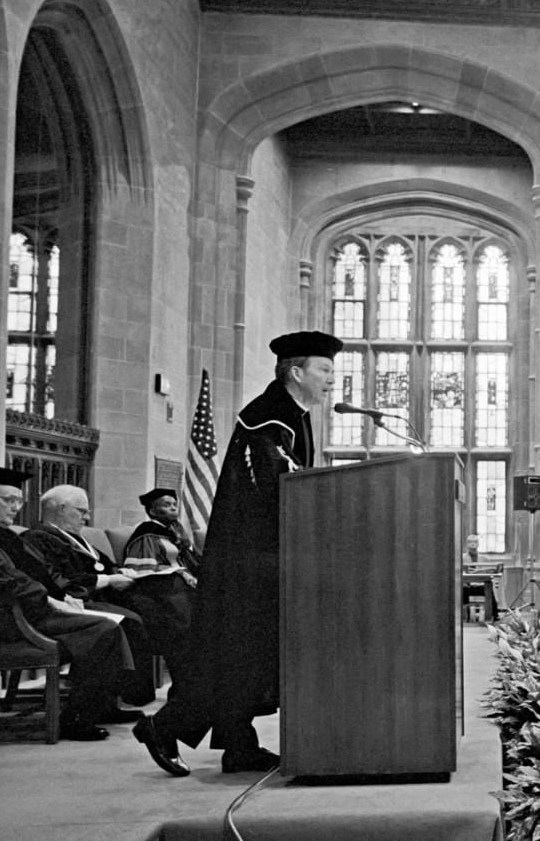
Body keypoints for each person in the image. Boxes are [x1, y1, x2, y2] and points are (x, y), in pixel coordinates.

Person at [133, 329, 341, 777]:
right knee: (235, 655)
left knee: (245, 656)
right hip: (249, 563)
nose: (332, 379)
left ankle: (239, 746)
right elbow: (277, 491)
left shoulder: (291, 414)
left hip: (265, 559)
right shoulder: (266, 419)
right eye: (324, 370)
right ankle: (163, 726)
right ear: (296, 371)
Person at [0, 464, 131, 740]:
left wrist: (63, 595)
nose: (16, 508)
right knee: (102, 630)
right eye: (8, 500)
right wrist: (50, 599)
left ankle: (96, 708)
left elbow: (40, 573)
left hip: (29, 611)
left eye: (19, 501)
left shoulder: (6, 535)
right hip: (3, 623)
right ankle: (77, 720)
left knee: (111, 623)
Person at [11, 484, 156, 709]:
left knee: (151, 608)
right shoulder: (39, 538)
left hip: (96, 595)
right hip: (72, 602)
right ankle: (118, 700)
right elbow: (59, 580)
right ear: (61, 509)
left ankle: (119, 699)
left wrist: (119, 571)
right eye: (82, 511)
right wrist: (108, 580)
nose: (87, 518)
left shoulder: (76, 538)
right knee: (129, 621)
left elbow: (104, 564)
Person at [119, 488, 198, 695]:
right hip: (153, 589)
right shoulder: (146, 534)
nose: (173, 507)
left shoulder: (174, 530)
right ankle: (185, 686)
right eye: (166, 504)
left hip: (173, 585)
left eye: (174, 504)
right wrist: (181, 572)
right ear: (153, 511)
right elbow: (143, 569)